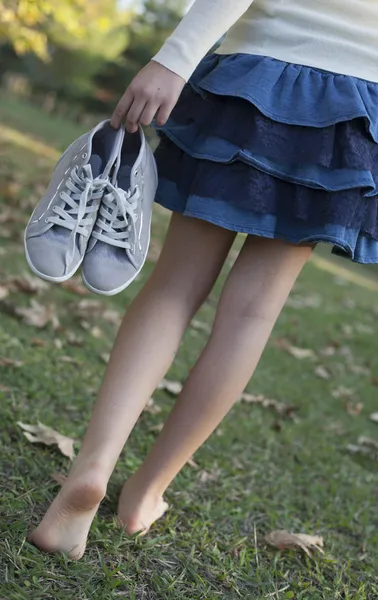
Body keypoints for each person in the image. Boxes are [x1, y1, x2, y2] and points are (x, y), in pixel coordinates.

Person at [30, 0, 378, 558]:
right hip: (351, 113)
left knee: (173, 287)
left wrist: (175, 59)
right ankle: (146, 492)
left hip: (258, 80)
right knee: (252, 313)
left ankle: (91, 471)